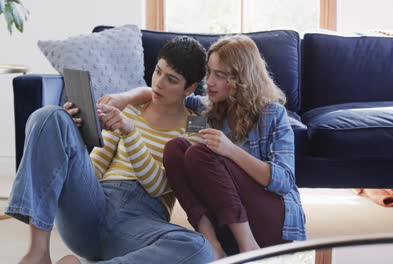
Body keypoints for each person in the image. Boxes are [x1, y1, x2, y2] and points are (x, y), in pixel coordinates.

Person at [6, 36, 215, 264]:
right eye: (158, 71)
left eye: (171, 80)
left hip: (139, 225)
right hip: (94, 206)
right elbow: (95, 169)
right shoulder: (131, 108)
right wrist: (71, 136)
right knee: (49, 116)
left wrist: (130, 132)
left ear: (190, 88)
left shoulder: (196, 126)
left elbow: (159, 187)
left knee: (199, 249)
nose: (159, 83)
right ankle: (38, 253)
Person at [112, 35, 306, 259]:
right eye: (209, 72)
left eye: (220, 75)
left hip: (272, 223)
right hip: (226, 225)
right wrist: (123, 97)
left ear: (242, 78)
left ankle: (249, 248)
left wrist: (231, 151)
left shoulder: (271, 114)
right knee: (176, 148)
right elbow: (163, 94)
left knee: (199, 152)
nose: (209, 82)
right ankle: (213, 245)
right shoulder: (206, 113)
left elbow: (283, 181)